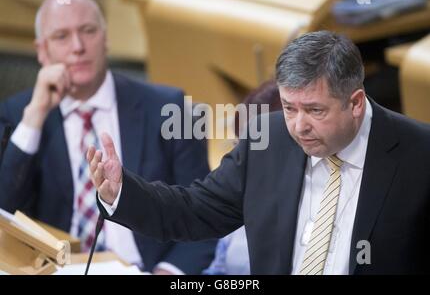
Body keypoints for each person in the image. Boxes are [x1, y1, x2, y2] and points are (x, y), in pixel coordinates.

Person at [88, 31, 430, 274]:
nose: (298, 126)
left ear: (355, 103)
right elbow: (194, 211)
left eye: (314, 110)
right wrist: (122, 192)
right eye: (289, 107)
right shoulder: (267, 137)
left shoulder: (419, 155)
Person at [0, 0, 215, 275]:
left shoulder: (169, 107)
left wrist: (166, 273)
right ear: (42, 50)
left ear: (106, 38)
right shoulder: (18, 114)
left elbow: (204, 215)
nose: (78, 46)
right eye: (61, 36)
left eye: (88, 31)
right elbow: (4, 213)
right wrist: (34, 117)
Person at [204, 80, 282, 275]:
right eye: (236, 146)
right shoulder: (240, 196)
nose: (240, 161)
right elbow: (218, 270)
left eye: (252, 150)